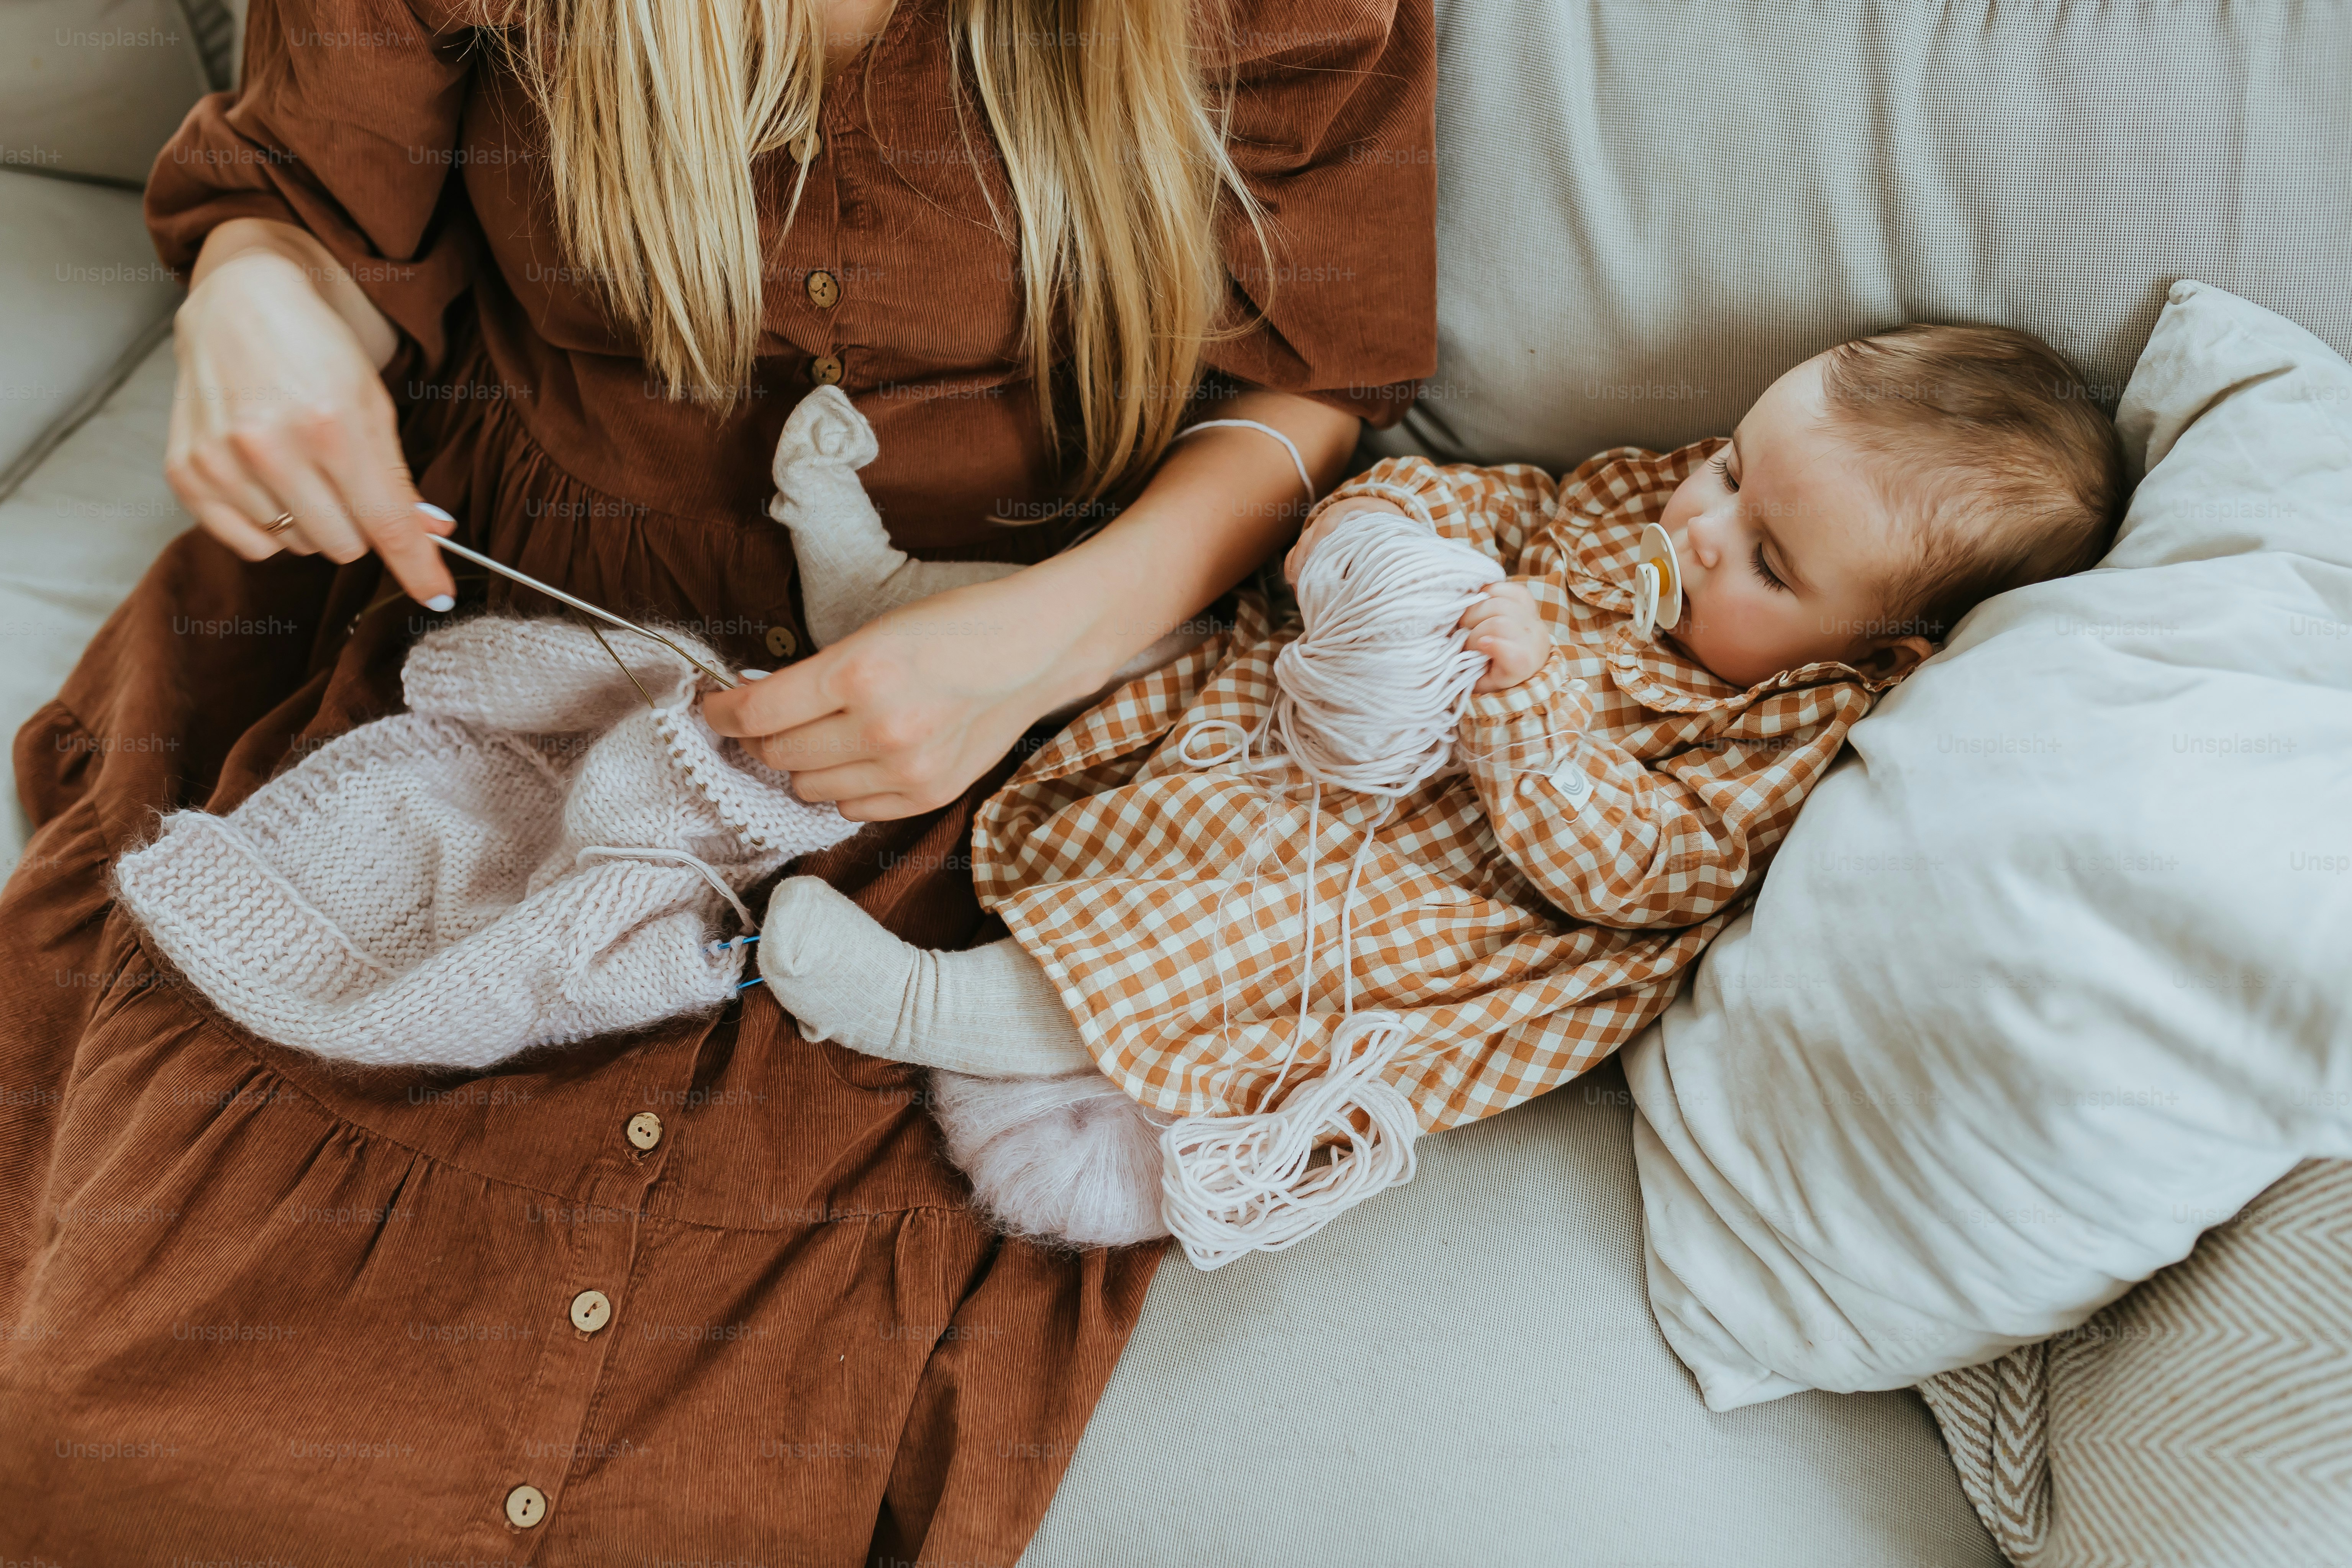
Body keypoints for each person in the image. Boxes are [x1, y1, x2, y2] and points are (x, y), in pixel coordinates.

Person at [0, 0, 1436, 1557]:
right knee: (121, 1442)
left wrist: (1040, 646)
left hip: (1023, 679)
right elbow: (321, 207)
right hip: (512, 631)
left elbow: (1311, 380)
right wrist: (262, 294)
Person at [748, 323, 2128, 1258]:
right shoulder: (1665, 499)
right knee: (1154, 631)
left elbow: (1648, 869)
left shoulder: (1793, 727)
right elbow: (1476, 500)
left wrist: (1525, 701)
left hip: (1440, 891)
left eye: (1764, 560)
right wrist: (1371, 551)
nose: (1695, 526)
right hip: (1300, 714)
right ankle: (895, 604)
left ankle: (932, 1005)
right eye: (1725, 466)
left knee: (1238, 940)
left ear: (1878, 650)